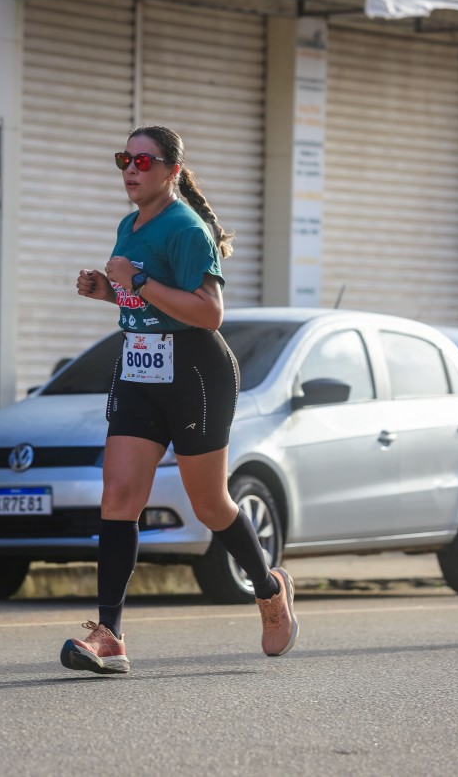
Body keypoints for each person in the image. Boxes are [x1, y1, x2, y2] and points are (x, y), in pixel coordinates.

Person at [60, 124, 298, 675]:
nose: (130, 169)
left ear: (170, 170)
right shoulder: (129, 224)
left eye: (143, 161)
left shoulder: (188, 229)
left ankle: (268, 588)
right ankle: (110, 635)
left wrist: (137, 281)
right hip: (141, 368)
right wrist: (108, 290)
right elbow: (142, 303)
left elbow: (209, 312)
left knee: (210, 504)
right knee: (118, 496)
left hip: (195, 372)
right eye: (125, 158)